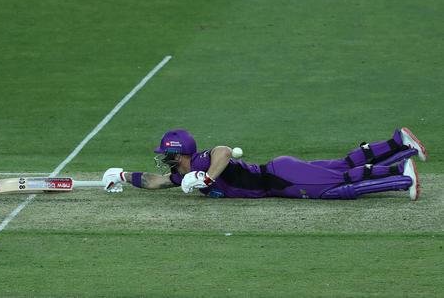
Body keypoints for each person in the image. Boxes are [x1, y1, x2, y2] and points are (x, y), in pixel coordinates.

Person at [102, 128, 427, 200]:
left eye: (167, 153)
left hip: (282, 177)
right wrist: (122, 174)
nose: (164, 158)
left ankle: (401, 176)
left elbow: (224, 151)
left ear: (181, 153)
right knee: (342, 167)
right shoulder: (182, 174)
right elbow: (154, 181)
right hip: (283, 174)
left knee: (337, 187)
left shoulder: (201, 162)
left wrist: (207, 177)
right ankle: (400, 145)